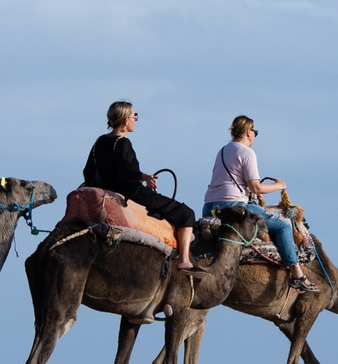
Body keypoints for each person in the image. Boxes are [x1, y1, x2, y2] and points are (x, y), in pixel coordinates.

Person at [84, 100, 198, 270]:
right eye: (134, 116)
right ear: (125, 120)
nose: (135, 119)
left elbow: (88, 171)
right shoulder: (123, 143)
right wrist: (145, 177)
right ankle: (184, 261)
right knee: (186, 214)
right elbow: (128, 170)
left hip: (106, 192)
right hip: (131, 192)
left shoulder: (98, 142)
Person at [205, 115, 310, 289]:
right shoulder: (247, 153)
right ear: (248, 132)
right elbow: (256, 187)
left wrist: (248, 194)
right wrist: (279, 185)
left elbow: (231, 183)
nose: (254, 135)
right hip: (233, 208)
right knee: (284, 225)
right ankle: (297, 273)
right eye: (255, 132)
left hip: (209, 207)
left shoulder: (222, 151)